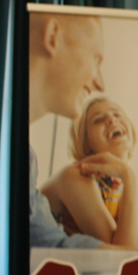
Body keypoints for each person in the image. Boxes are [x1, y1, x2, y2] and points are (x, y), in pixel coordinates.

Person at [40, 96, 138, 248]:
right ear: (86, 142)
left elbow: (137, 247)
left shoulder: (113, 183)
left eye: (117, 114)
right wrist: (129, 176)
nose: (112, 119)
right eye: (98, 120)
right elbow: (123, 254)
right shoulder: (76, 175)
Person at [28, 12, 106, 248]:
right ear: (52, 36)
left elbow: (54, 244)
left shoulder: (25, 158)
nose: (100, 84)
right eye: (96, 59)